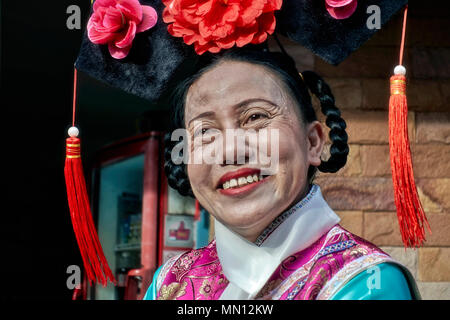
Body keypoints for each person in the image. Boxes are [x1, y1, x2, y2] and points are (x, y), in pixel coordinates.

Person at [142, 48, 419, 300]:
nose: (230, 151)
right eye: (204, 131)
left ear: (312, 142)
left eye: (256, 117)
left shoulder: (364, 282)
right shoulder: (169, 281)